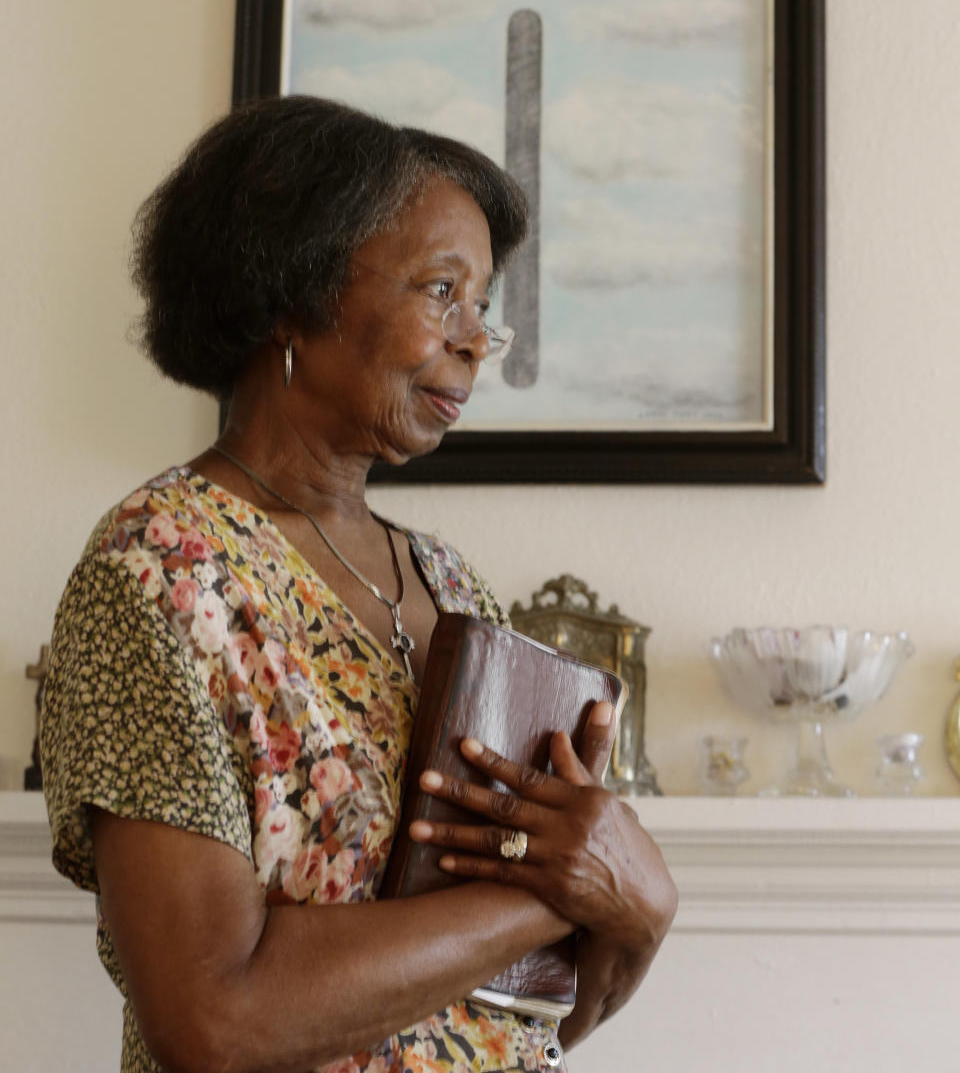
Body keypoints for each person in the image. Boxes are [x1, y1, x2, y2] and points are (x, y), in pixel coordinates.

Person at [41, 95, 677, 1073]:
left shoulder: (453, 582)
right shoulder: (154, 576)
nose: (474, 341)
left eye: (483, 309)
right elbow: (215, 1017)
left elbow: (556, 986)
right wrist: (571, 887)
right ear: (295, 287)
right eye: (441, 290)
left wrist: (629, 899)